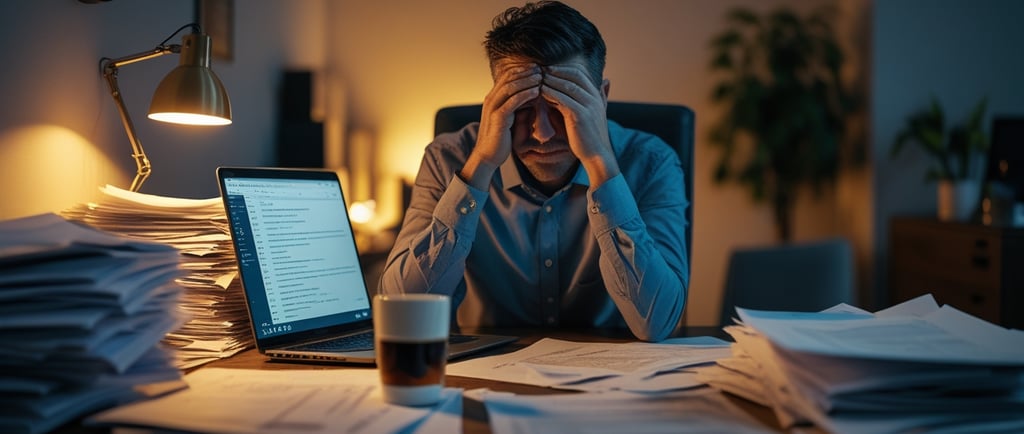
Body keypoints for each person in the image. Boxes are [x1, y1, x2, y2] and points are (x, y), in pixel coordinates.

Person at [379, 0, 688, 342]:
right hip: (487, 373)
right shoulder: (448, 159)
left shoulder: (652, 162)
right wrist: (480, 164)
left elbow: (658, 323)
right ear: (496, 100)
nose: (542, 133)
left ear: (601, 98)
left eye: (562, 105)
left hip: (614, 380)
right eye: (523, 106)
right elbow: (403, 310)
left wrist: (600, 161)